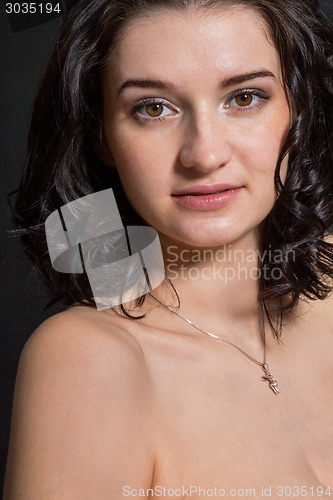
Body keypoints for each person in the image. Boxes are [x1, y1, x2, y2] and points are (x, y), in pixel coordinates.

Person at [4, 0, 333, 497]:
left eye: (245, 98)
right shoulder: (87, 360)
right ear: (102, 136)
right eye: (153, 108)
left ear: (298, 110)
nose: (204, 154)